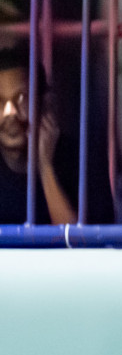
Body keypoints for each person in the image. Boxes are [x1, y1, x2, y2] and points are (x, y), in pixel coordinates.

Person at [0, 44, 78, 226]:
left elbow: (79, 241)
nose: (10, 112)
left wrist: (45, 167)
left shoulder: (80, 160)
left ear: (45, 104)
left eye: (22, 98)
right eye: (0, 101)